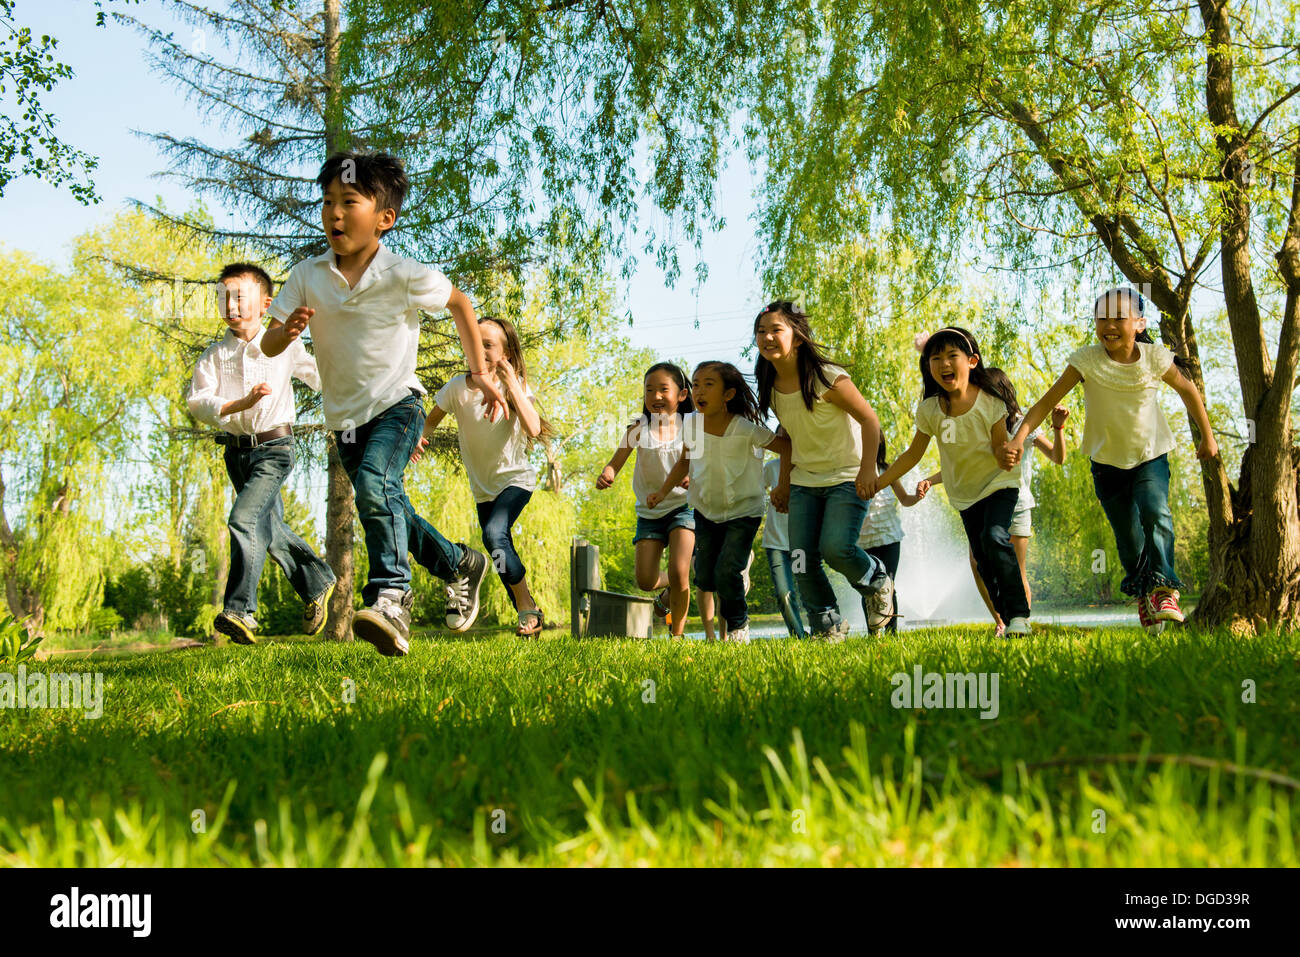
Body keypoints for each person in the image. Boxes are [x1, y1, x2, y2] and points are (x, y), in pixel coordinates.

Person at [262, 151, 508, 657]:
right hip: (345, 421)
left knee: (376, 488)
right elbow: (267, 344)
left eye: (349, 201)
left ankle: (391, 596)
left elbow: (461, 302)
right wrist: (285, 333)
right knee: (387, 506)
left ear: (384, 219)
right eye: (327, 201)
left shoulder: (403, 272)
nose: (333, 212)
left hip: (399, 405)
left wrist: (479, 375)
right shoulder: (307, 275)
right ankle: (460, 563)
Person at [1002, 287, 1217, 631]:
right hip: (1106, 465)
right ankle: (1144, 594)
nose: (1109, 325)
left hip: (1150, 456)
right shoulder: (1086, 360)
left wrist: (1207, 436)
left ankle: (1163, 589)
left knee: (1155, 512)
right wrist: (1017, 437)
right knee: (1129, 539)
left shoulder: (1155, 357)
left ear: (1139, 323)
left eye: (1119, 317)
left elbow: (1188, 390)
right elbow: (1044, 403)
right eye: (1102, 317)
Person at [188, 263, 337, 645]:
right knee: (268, 533)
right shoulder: (213, 355)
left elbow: (323, 377)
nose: (231, 304)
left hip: (275, 448)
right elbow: (199, 402)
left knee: (243, 520)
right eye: (223, 297)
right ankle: (317, 581)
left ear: (266, 303)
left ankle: (240, 611)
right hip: (237, 455)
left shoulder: (284, 343)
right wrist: (239, 403)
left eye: (239, 297)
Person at [872, 326, 1031, 635]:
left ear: (972, 361)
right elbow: (912, 455)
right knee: (983, 560)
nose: (944, 363)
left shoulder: (990, 401)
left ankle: (1019, 617)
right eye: (935, 357)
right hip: (965, 494)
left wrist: (1005, 454)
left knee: (995, 537)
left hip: (999, 483)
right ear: (927, 366)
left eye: (951, 356)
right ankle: (1005, 616)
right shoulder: (930, 410)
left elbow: (1000, 444)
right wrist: (877, 483)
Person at [756, 301, 892, 639]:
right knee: (801, 558)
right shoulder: (771, 383)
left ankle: (875, 579)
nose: (767, 337)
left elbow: (869, 420)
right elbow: (787, 434)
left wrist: (866, 471)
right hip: (804, 481)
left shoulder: (826, 377)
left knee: (836, 548)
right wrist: (784, 483)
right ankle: (827, 624)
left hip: (846, 477)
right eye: (761, 332)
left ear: (798, 338)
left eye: (776, 330)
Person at [413, 316, 552, 637]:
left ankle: (525, 608)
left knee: (493, 535)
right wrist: (420, 438)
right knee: (499, 550)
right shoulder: (456, 388)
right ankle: (527, 606)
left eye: (488, 344)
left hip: (516, 480)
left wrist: (512, 383)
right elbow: (431, 420)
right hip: (483, 490)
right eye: (474, 343)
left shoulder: (513, 385)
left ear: (506, 353)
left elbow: (533, 427)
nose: (479, 349)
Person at [647, 362, 790, 643]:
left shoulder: (744, 428)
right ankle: (732, 583)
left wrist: (782, 485)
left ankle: (738, 627)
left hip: (743, 511)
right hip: (705, 511)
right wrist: (663, 491)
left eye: (709, 384)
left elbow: (786, 447)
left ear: (728, 395)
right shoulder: (691, 425)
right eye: (696, 384)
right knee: (706, 577)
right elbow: (685, 461)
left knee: (727, 571)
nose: (699, 390)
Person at [918, 369, 1068, 634]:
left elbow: (1057, 457)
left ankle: (1019, 621)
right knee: (979, 562)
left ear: (999, 392)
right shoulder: (980, 420)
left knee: (1013, 567)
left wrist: (1058, 428)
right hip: (985, 502)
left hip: (1017, 503)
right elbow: (966, 466)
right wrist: (931, 479)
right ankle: (1001, 620)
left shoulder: (1024, 425)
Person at [596, 363, 695, 637]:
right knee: (645, 580)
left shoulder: (691, 427)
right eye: (649, 390)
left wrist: (692, 479)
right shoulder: (639, 427)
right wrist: (607, 473)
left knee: (678, 571)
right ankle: (671, 589)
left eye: (664, 389)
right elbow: (615, 462)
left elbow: (700, 463)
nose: (656, 396)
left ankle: (678, 636)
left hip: (683, 508)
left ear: (683, 394)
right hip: (649, 512)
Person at [856, 436, 927, 634]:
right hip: (863, 540)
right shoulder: (853, 471)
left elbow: (904, 499)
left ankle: (892, 632)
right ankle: (873, 632)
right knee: (868, 586)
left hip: (889, 538)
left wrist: (917, 497)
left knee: (888, 584)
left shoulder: (889, 471)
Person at [762, 454, 806, 638]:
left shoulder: (806, 464)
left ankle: (823, 630)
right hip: (776, 543)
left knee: (805, 588)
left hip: (799, 545)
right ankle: (799, 636)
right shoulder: (771, 467)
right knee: (783, 592)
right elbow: (756, 492)